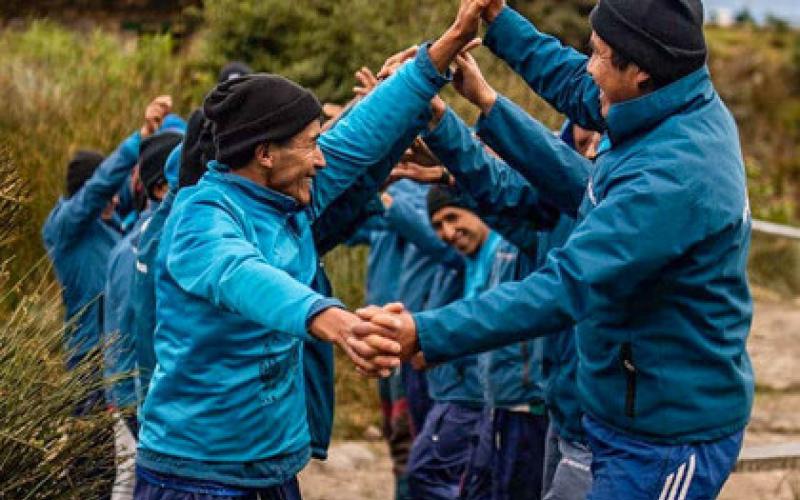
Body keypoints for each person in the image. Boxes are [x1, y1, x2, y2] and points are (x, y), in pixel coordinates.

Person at [350, 0, 754, 498]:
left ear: (643, 71)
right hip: (607, 408)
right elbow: (575, 113)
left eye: (600, 54)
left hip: (663, 435)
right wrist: (497, 19)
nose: (588, 66)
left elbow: (566, 285)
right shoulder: (655, 107)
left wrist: (426, 332)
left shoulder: (675, 174)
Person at [134, 4, 490, 496]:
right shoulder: (201, 220)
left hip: (275, 467)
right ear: (265, 154)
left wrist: (442, 50)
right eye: (309, 144)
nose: (321, 158)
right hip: (197, 474)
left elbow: (360, 134)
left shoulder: (287, 193)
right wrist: (337, 320)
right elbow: (242, 274)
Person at [42, 95, 172, 396]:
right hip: (90, 359)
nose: (117, 199)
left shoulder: (108, 221)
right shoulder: (65, 228)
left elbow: (135, 192)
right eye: (108, 195)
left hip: (120, 356)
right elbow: (101, 185)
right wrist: (139, 139)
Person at [103, 131, 183, 500]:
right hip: (134, 396)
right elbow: (123, 329)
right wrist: (125, 398)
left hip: (144, 393)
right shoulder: (134, 249)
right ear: (161, 187)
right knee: (130, 479)